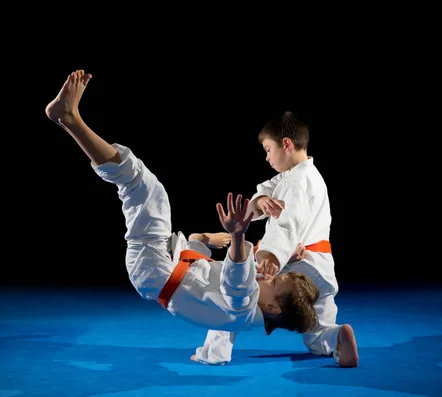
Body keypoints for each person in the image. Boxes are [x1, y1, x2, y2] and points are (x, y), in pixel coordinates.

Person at [44, 70, 321, 343]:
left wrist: (238, 236)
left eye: (274, 283)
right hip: (163, 264)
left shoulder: (244, 306)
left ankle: (71, 120)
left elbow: (237, 277)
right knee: (149, 190)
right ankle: (70, 120)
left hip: (155, 269)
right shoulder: (249, 305)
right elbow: (215, 275)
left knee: (143, 187)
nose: (268, 277)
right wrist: (204, 240)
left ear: (273, 308)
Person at [193, 111, 359, 367]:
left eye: (269, 149)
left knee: (235, 293)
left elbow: (287, 222)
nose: (267, 157)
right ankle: (336, 336)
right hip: (320, 268)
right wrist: (261, 201)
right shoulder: (302, 176)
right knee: (315, 328)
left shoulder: (297, 181)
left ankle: (214, 353)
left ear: (287, 144)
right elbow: (262, 196)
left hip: (291, 264)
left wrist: (270, 255)